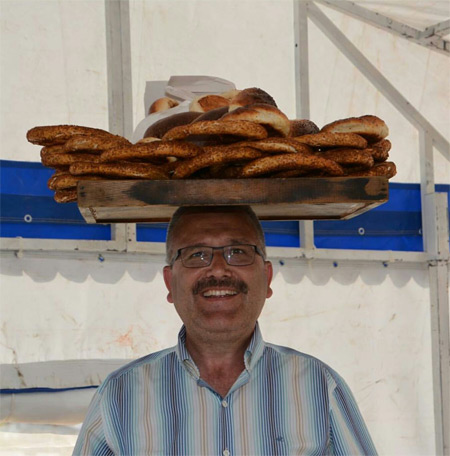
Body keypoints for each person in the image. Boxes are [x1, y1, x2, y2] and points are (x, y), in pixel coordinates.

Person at [73, 205, 377, 455]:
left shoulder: (320, 388)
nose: (218, 268)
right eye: (196, 254)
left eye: (238, 251)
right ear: (169, 283)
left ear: (267, 278)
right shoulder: (120, 396)